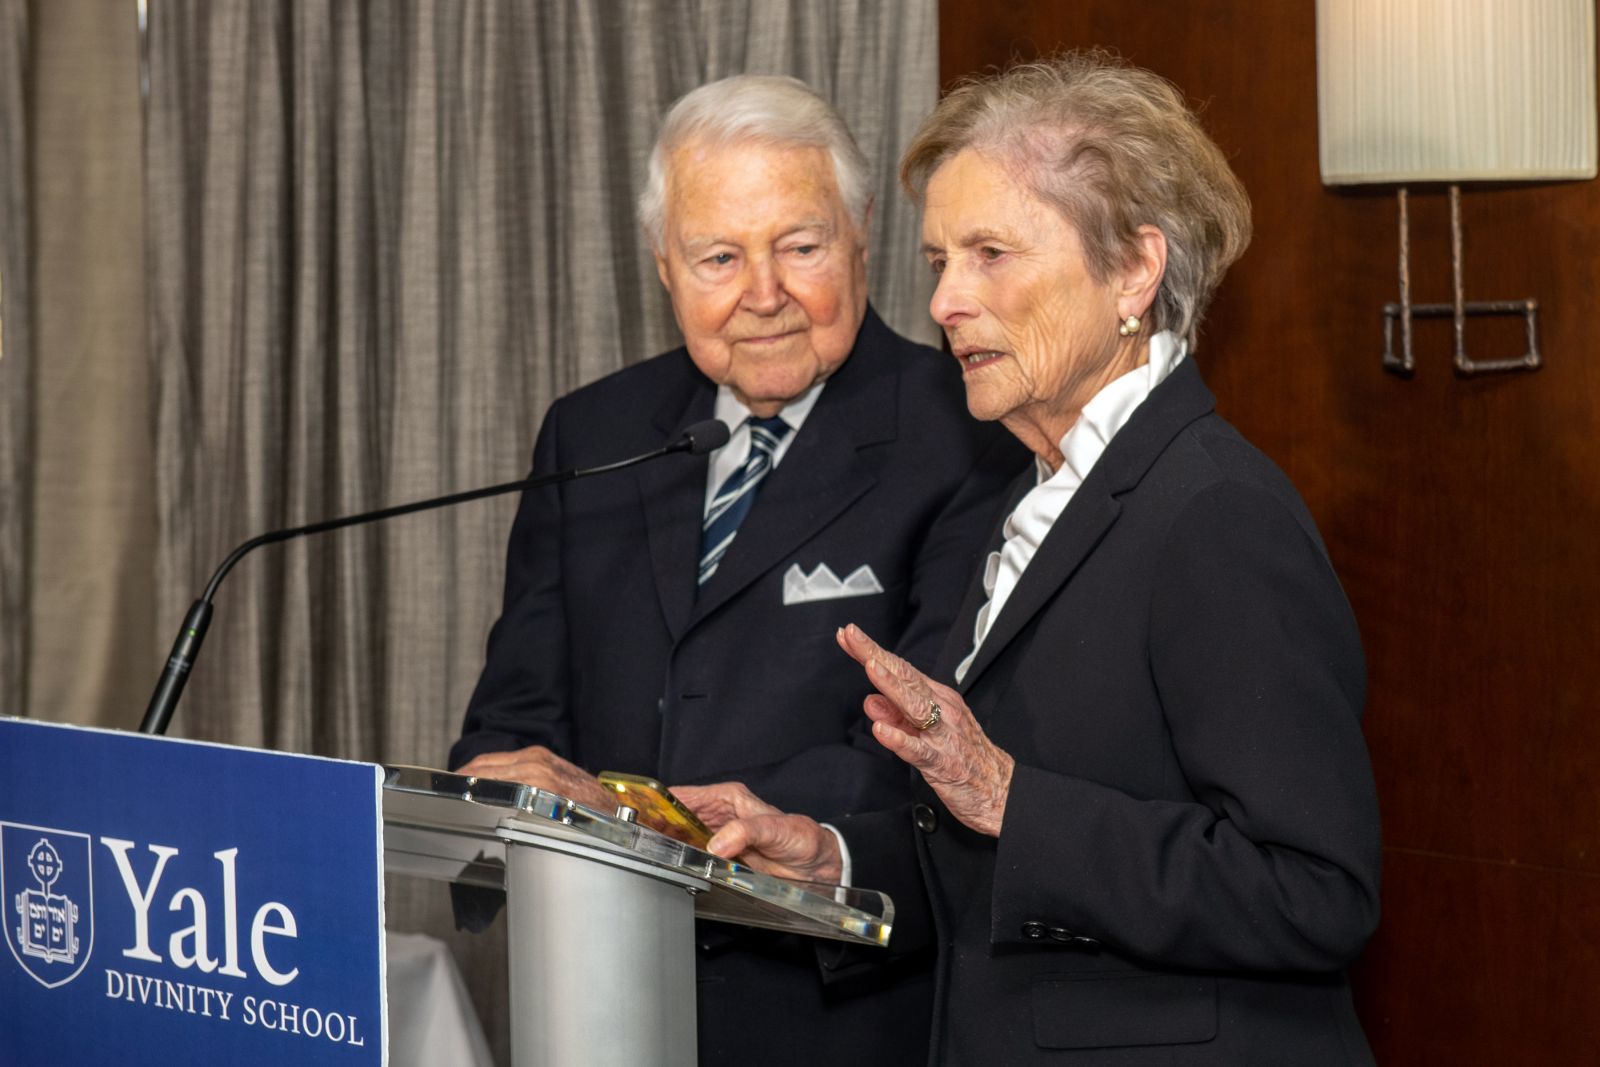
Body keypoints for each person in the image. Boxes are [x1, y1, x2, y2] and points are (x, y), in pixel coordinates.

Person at [678, 52, 1383, 1065]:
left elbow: (1317, 891)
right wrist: (822, 852)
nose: (946, 303)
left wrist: (1011, 794)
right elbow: (985, 855)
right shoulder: (1034, 499)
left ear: (1134, 269)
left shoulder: (1215, 511)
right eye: (936, 262)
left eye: (990, 254)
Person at [450, 74, 1022, 1064]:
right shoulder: (593, 430)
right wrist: (503, 780)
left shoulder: (968, 431)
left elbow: (929, 744)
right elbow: (516, 713)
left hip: (830, 1009)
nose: (762, 293)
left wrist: (647, 823)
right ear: (663, 266)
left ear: (860, 232)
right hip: (591, 992)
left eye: (799, 247)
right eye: (718, 255)